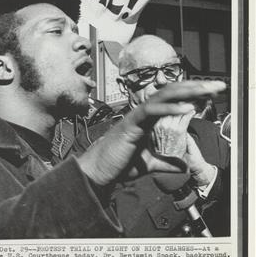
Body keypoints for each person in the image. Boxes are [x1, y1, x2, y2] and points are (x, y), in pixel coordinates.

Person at [0, 0, 225, 240]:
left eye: (76, 30)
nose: (84, 42)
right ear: (2, 67)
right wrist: (89, 174)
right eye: (57, 31)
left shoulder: (60, 161)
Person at [72, 35, 230, 236]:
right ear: (124, 85)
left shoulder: (210, 134)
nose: (162, 81)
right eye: (146, 73)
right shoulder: (93, 141)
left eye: (170, 70)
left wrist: (207, 177)